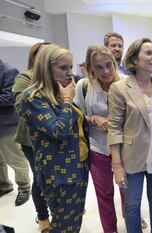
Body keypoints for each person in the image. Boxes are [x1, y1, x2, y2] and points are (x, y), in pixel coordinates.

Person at [20, 44, 89, 232]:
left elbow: (74, 123)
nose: (69, 73)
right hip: (59, 171)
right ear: (46, 67)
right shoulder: (33, 97)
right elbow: (59, 131)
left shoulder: (60, 91)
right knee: (63, 224)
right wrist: (68, 100)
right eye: (63, 67)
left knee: (74, 220)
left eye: (71, 67)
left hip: (79, 165)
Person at [107, 38, 152, 233]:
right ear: (134, 60)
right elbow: (114, 127)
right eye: (148, 53)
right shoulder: (119, 88)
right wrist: (117, 165)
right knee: (132, 206)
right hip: (132, 156)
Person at [73, 44, 121, 233]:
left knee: (129, 192)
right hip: (98, 148)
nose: (106, 71)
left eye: (109, 64)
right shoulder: (84, 85)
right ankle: (110, 229)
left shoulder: (126, 82)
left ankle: (131, 218)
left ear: (114, 62)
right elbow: (78, 114)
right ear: (90, 68)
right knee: (105, 195)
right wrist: (94, 118)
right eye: (99, 67)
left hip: (125, 148)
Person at [12, 42, 51, 232]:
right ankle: (43, 217)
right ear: (35, 58)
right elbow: (21, 106)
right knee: (40, 178)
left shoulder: (58, 75)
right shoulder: (25, 77)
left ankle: (58, 208)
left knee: (54, 176)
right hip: (31, 140)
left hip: (54, 136)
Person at [0, 59, 31, 206]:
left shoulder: (8, 70)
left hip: (7, 125)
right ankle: (4, 185)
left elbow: (10, 97)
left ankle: (24, 187)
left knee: (15, 159)